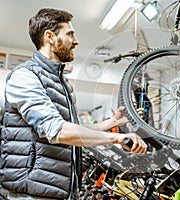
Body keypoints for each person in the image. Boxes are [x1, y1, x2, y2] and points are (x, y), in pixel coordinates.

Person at [0, 8, 147, 200]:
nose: (76, 41)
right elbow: (56, 130)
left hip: (57, 191)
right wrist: (117, 139)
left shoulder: (63, 84)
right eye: (70, 34)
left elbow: (73, 130)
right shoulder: (25, 76)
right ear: (49, 36)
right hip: (30, 192)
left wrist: (110, 124)